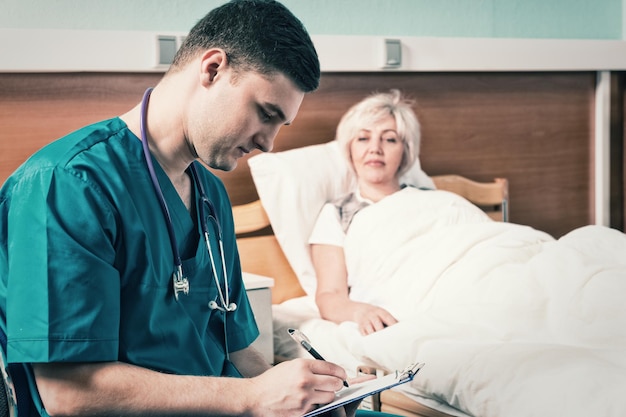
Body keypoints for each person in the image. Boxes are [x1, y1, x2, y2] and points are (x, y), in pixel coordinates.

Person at [0, 1, 383, 416]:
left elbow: (238, 355)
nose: (268, 143)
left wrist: (306, 398)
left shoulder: (211, 199)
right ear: (213, 68)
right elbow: (69, 394)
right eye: (265, 114)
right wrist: (252, 399)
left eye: (279, 125)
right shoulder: (67, 184)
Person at [309, 89, 421, 336]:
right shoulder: (336, 215)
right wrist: (362, 312)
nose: (375, 149)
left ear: (406, 150)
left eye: (389, 139)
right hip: (395, 312)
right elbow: (330, 296)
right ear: (349, 149)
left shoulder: (431, 203)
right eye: (363, 138)